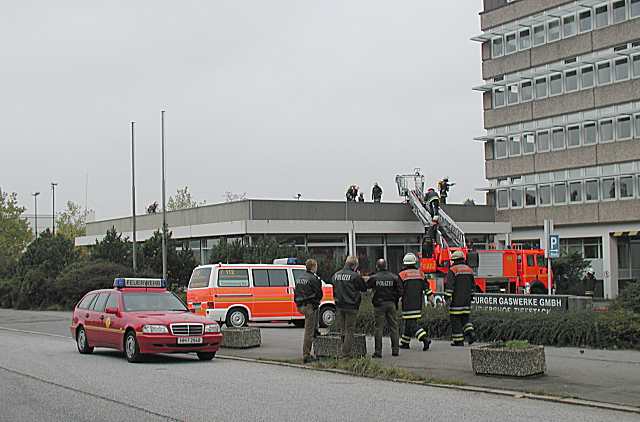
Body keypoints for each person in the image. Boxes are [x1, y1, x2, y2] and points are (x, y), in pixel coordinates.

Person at [329, 256, 368, 358]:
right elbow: (363, 288)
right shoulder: (355, 276)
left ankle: (343, 348)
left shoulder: (335, 275)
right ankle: (346, 354)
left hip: (339, 305)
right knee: (350, 329)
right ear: (354, 265)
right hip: (351, 305)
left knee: (342, 329)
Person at [367, 259, 403, 358]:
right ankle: (395, 350)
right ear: (386, 266)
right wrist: (395, 299)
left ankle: (378, 352)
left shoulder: (374, 278)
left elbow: (366, 287)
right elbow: (400, 291)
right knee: (394, 327)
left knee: (378, 328)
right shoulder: (394, 277)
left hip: (379, 305)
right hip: (391, 304)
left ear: (377, 266)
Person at [398, 253, 432, 351]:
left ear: (404, 263)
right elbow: (427, 288)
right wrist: (430, 298)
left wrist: (396, 299)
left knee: (411, 324)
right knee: (409, 322)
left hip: (407, 303)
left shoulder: (401, 275)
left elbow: (399, 291)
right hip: (418, 303)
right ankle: (405, 342)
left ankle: (424, 338)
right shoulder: (420, 274)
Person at [294, 259, 324, 363]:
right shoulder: (314, 279)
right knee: (309, 331)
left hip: (300, 305)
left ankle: (316, 336)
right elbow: (319, 294)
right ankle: (306, 355)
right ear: (313, 267)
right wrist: (316, 303)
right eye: (316, 266)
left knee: (312, 329)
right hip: (310, 306)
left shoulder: (300, 278)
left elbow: (296, 293)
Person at [445, 250, 476, 347]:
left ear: (454, 260)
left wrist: (447, 297)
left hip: (456, 301)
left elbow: (450, 285)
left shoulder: (453, 270)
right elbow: (473, 286)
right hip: (466, 300)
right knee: (465, 319)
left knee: (456, 320)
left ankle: (459, 341)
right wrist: (471, 297)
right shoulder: (469, 269)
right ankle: (471, 334)